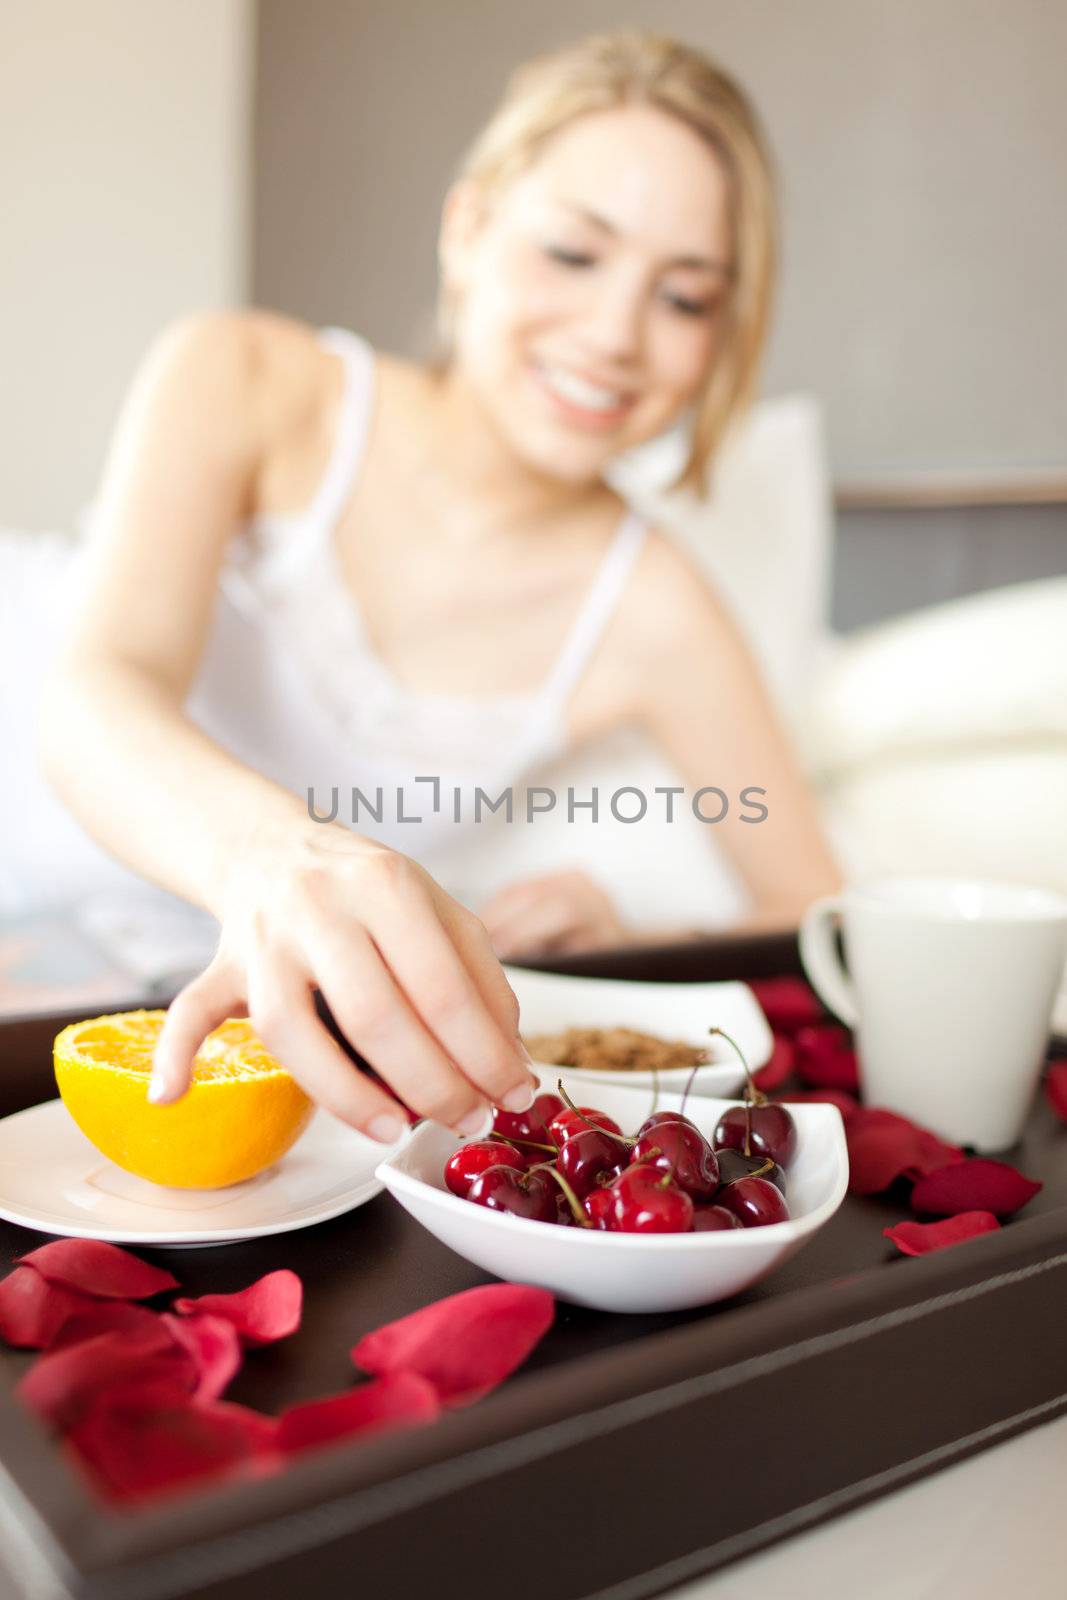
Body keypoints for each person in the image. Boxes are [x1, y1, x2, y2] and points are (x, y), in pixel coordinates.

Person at [39, 31, 840, 1142]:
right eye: (571, 254)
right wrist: (278, 855)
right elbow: (91, 692)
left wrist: (628, 936)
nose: (613, 334)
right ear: (466, 230)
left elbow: (808, 904)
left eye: (684, 298)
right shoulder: (245, 378)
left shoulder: (654, 605)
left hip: (274, 1068)